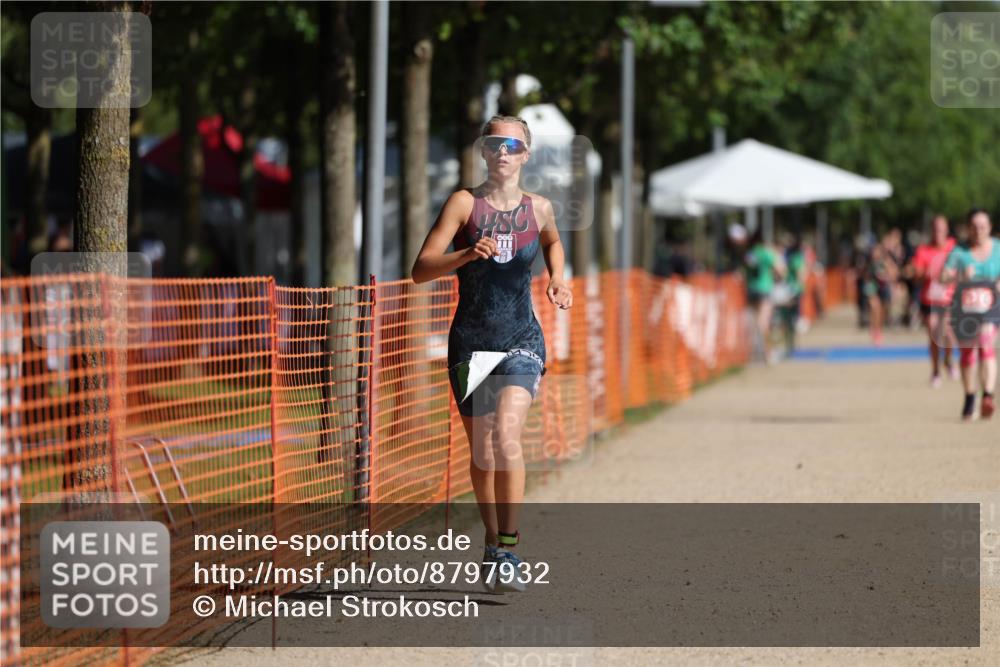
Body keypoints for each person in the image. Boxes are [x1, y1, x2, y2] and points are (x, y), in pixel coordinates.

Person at [411, 115, 572, 591]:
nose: (503, 151)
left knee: (506, 436)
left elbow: (554, 242)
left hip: (521, 336)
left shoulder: (540, 207)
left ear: (526, 154)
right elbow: (421, 269)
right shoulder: (464, 203)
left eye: (512, 144)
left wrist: (559, 278)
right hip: (471, 341)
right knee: (482, 451)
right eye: (494, 143)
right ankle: (492, 544)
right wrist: (464, 255)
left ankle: (510, 547)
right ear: (484, 151)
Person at [941, 208, 1000, 420]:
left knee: (985, 342)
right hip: (965, 307)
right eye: (974, 227)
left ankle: (988, 396)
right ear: (968, 228)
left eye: (983, 226)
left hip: (991, 305)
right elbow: (943, 277)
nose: (979, 231)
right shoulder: (959, 251)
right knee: (968, 352)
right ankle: (969, 397)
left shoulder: (998, 249)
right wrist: (958, 276)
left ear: (990, 227)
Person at [910, 215, 957, 387]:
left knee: (949, 333)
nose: (938, 233)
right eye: (935, 229)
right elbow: (916, 274)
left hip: (950, 300)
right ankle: (936, 370)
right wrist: (923, 273)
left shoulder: (955, 248)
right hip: (930, 301)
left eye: (941, 229)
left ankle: (949, 360)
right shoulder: (924, 250)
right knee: (934, 333)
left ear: (946, 230)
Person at [743, 228, 786, 363]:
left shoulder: (750, 253)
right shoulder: (766, 253)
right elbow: (780, 270)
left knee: (753, 321)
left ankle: (753, 352)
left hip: (751, 289)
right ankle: (767, 353)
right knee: (763, 322)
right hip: (765, 289)